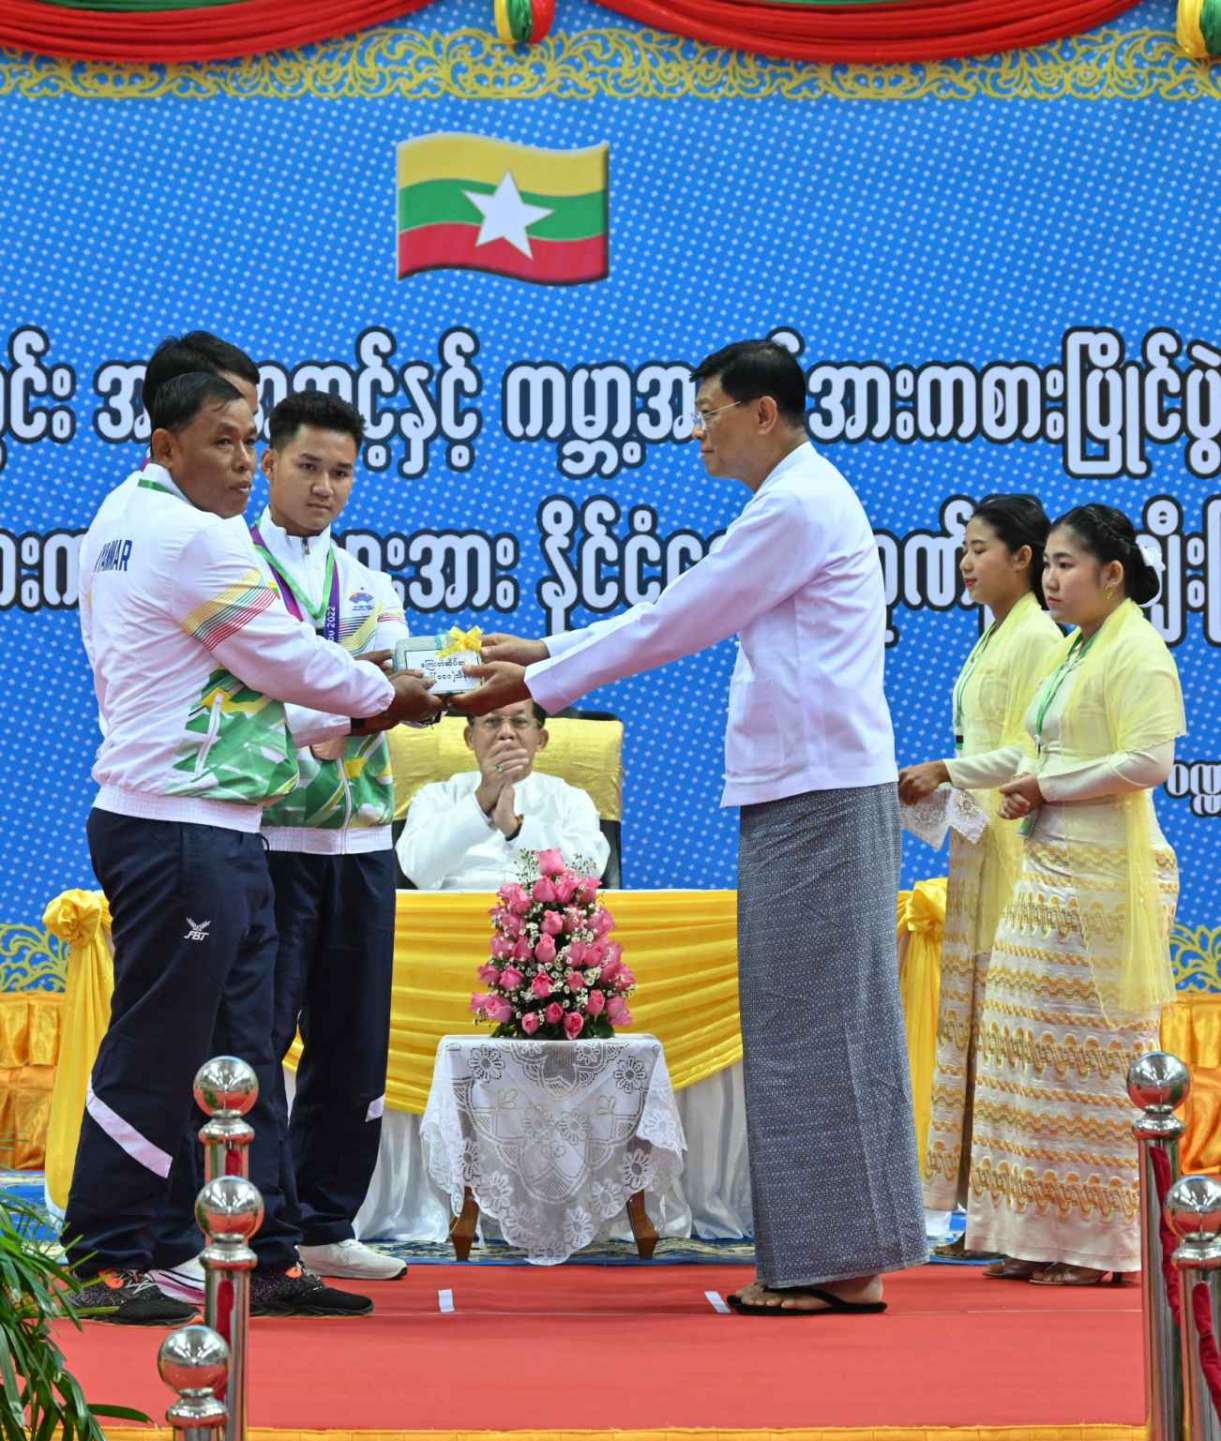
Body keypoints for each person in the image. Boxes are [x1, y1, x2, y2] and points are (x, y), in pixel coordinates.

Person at [454, 339, 927, 1315]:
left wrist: (543, 678)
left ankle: (833, 1263)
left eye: (709, 411)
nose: (699, 431)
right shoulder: (793, 500)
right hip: (808, 789)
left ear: (763, 412)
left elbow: (683, 618)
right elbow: (679, 606)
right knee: (818, 1023)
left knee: (813, 1027)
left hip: (819, 794)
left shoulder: (797, 504)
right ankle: (845, 1255)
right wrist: (548, 652)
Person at [64, 372, 442, 1324]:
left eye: (245, 440)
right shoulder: (193, 537)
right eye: (225, 441)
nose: (243, 462)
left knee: (241, 1052)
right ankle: (107, 1254)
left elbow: (254, 703)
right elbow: (283, 658)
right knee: (160, 1046)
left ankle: (259, 1250)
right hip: (178, 823)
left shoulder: (124, 516)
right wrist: (385, 695)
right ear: (165, 443)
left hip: (218, 822)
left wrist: (359, 704)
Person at [950, 504, 1182, 1285]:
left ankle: (1098, 1248)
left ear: (1111, 574)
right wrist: (1029, 784)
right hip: (1047, 870)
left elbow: (1148, 762)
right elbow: (1045, 752)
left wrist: (1047, 786)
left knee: (1089, 1066)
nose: (1050, 580)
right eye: (1046, 564)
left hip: (1106, 880)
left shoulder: (1137, 650)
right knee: (1023, 1058)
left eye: (1064, 565)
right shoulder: (1076, 647)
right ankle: (1031, 1233)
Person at [254, 391, 415, 1281]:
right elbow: (254, 697)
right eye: (308, 466)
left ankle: (325, 1223)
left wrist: (345, 694)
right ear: (268, 463)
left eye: (341, 472)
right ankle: (261, 1228)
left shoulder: (368, 583)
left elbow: (393, 687)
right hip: (268, 837)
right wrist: (354, 691)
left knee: (353, 1042)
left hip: (361, 840)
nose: (324, 487)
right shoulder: (234, 571)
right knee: (258, 1039)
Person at [898, 497, 1063, 1248]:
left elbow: (1029, 754)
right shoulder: (995, 633)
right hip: (980, 843)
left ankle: (1015, 1211)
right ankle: (983, 1212)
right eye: (962, 549)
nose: (965, 563)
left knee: (1005, 1031)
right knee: (977, 1031)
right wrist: (947, 781)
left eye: (979, 549)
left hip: (1014, 848)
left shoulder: (1036, 637)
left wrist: (945, 770)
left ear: (1022, 558)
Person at [396, 700, 609, 890]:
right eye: (492, 721)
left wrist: (516, 830)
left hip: (541, 917)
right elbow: (416, 870)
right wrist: (479, 802)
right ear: (470, 738)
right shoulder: (437, 796)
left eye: (519, 722)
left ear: (541, 739)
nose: (506, 733)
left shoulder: (570, 799)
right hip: (455, 914)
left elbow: (589, 871)